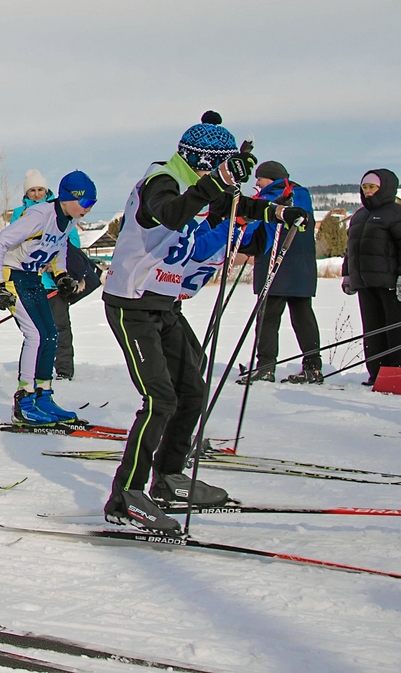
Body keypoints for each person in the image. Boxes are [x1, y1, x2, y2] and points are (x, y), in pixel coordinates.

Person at [100, 112, 299, 534]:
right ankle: (125, 497)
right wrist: (217, 181)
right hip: (131, 304)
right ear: (203, 162)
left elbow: (234, 205)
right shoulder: (161, 180)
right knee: (159, 399)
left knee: (192, 389)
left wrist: (275, 215)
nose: (226, 180)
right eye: (221, 168)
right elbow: (170, 214)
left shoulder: (197, 183)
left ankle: (168, 477)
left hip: (165, 306)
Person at [0, 170, 97, 425]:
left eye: (93, 204)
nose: (89, 209)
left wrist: (60, 275)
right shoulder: (39, 215)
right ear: (69, 197)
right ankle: (24, 402)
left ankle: (43, 396)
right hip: (13, 278)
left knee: (51, 334)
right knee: (35, 335)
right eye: (86, 203)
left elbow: (58, 246)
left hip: (34, 278)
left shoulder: (68, 219)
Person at [233, 162, 321, 384]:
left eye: (259, 179)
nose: (257, 183)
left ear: (269, 179)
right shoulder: (302, 196)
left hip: (276, 265)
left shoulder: (269, 198)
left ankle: (266, 367)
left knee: (268, 318)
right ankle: (313, 367)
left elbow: (256, 231)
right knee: (303, 316)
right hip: (302, 268)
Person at [342, 169, 401, 385]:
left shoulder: (398, 214)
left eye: (372, 187)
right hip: (365, 283)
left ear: (384, 188)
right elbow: (351, 249)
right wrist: (347, 274)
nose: (368, 191)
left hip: (391, 283)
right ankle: (378, 374)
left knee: (396, 329)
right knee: (372, 331)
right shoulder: (359, 216)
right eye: (365, 187)